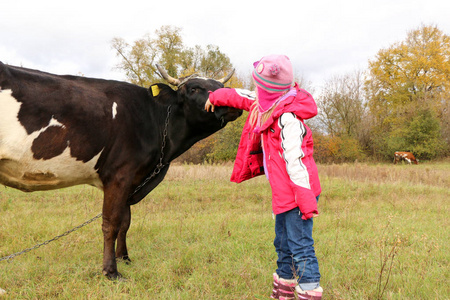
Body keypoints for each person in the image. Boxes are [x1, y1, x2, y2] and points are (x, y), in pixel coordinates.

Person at [205, 55, 322, 300]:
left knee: (300, 246)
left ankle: (309, 290)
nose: (256, 91)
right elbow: (240, 96)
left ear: (272, 90)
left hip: (299, 191)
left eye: (260, 86)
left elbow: (296, 162)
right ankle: (285, 288)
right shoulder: (265, 105)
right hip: (283, 193)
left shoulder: (288, 119)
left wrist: (305, 199)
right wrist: (214, 96)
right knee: (282, 243)